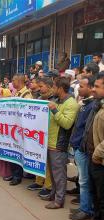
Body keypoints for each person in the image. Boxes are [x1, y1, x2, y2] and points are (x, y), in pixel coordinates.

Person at [43, 77, 79, 209]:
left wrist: (55, 110)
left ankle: (59, 200)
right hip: (50, 142)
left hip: (59, 144)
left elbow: (67, 124)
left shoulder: (71, 103)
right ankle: (53, 194)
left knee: (59, 174)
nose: (52, 89)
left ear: (60, 88)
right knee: (53, 173)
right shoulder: (56, 100)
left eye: (54, 86)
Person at [79, 75, 104, 220]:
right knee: (97, 194)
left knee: (103, 197)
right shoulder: (98, 106)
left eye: (97, 86)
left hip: (100, 159)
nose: (93, 89)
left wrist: (97, 154)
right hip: (93, 158)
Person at [68, 75, 96, 220]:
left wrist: (79, 146)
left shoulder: (92, 106)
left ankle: (86, 210)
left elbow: (87, 130)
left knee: (84, 182)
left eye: (83, 86)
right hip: (78, 147)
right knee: (83, 181)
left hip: (83, 149)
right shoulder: (85, 104)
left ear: (91, 88)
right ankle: (83, 207)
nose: (79, 88)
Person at [27, 77, 55, 197]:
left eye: (41, 86)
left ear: (49, 86)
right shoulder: (38, 99)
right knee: (39, 157)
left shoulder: (54, 100)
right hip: (38, 133)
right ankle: (38, 181)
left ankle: (48, 186)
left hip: (50, 133)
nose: (39, 88)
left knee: (48, 162)